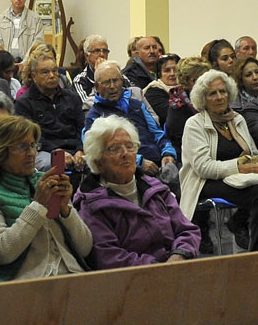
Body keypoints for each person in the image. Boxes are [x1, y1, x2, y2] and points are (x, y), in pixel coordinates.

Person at [182, 69, 258, 252]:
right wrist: (239, 167)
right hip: (206, 182)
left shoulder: (236, 119)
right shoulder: (194, 124)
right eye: (212, 93)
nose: (219, 97)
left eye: (223, 91)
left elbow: (254, 153)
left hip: (242, 177)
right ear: (203, 99)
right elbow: (203, 168)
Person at [0, 114, 93, 282]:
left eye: (33, 145)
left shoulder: (48, 181)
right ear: (0, 151)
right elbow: (1, 252)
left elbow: (85, 248)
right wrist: (38, 205)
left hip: (72, 276)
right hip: (25, 284)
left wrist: (66, 210)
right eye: (22, 147)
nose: (32, 153)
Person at [75, 115, 200, 269]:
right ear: (98, 162)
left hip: (177, 269)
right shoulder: (91, 205)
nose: (125, 153)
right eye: (114, 149)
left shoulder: (156, 189)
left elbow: (187, 230)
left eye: (130, 146)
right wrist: (159, 269)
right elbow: (108, 257)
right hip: (133, 279)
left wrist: (179, 255)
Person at [81, 61, 177, 182]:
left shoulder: (137, 105)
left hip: (158, 163)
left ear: (122, 81)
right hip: (126, 170)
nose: (112, 86)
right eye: (106, 82)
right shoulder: (94, 116)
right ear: (96, 86)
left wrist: (168, 153)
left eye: (116, 80)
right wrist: (138, 162)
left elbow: (157, 133)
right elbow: (97, 154)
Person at [15, 46, 85, 155]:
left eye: (54, 71)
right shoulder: (24, 102)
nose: (52, 76)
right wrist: (56, 152)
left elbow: (82, 128)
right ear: (34, 76)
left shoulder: (72, 97)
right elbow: (31, 136)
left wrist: (80, 149)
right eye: (45, 72)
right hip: (45, 151)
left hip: (75, 149)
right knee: (46, 162)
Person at [0, 0, 49, 65]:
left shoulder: (35, 19)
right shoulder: (3, 17)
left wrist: (25, 62)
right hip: (7, 64)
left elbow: (37, 43)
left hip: (28, 64)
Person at [142, 54, 181, 126]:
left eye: (176, 70)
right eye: (167, 70)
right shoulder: (153, 93)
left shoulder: (187, 87)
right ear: (159, 74)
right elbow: (173, 115)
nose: (172, 73)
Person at [72, 35, 111, 103]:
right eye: (97, 51)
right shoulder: (80, 80)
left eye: (105, 51)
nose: (102, 54)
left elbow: (129, 96)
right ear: (87, 56)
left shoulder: (117, 74)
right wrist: (100, 75)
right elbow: (88, 105)